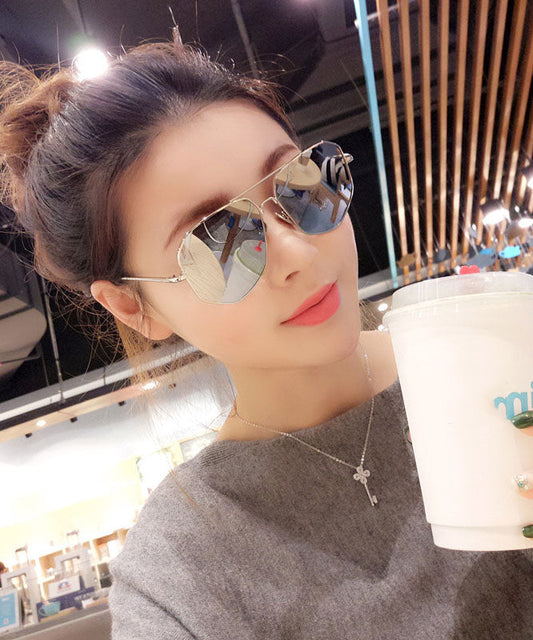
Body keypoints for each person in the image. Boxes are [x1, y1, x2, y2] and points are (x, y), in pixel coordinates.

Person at [1, 38, 533, 640]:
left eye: (303, 187)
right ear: (135, 307)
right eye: (219, 244)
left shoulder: (490, 365)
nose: (299, 253)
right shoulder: (180, 571)